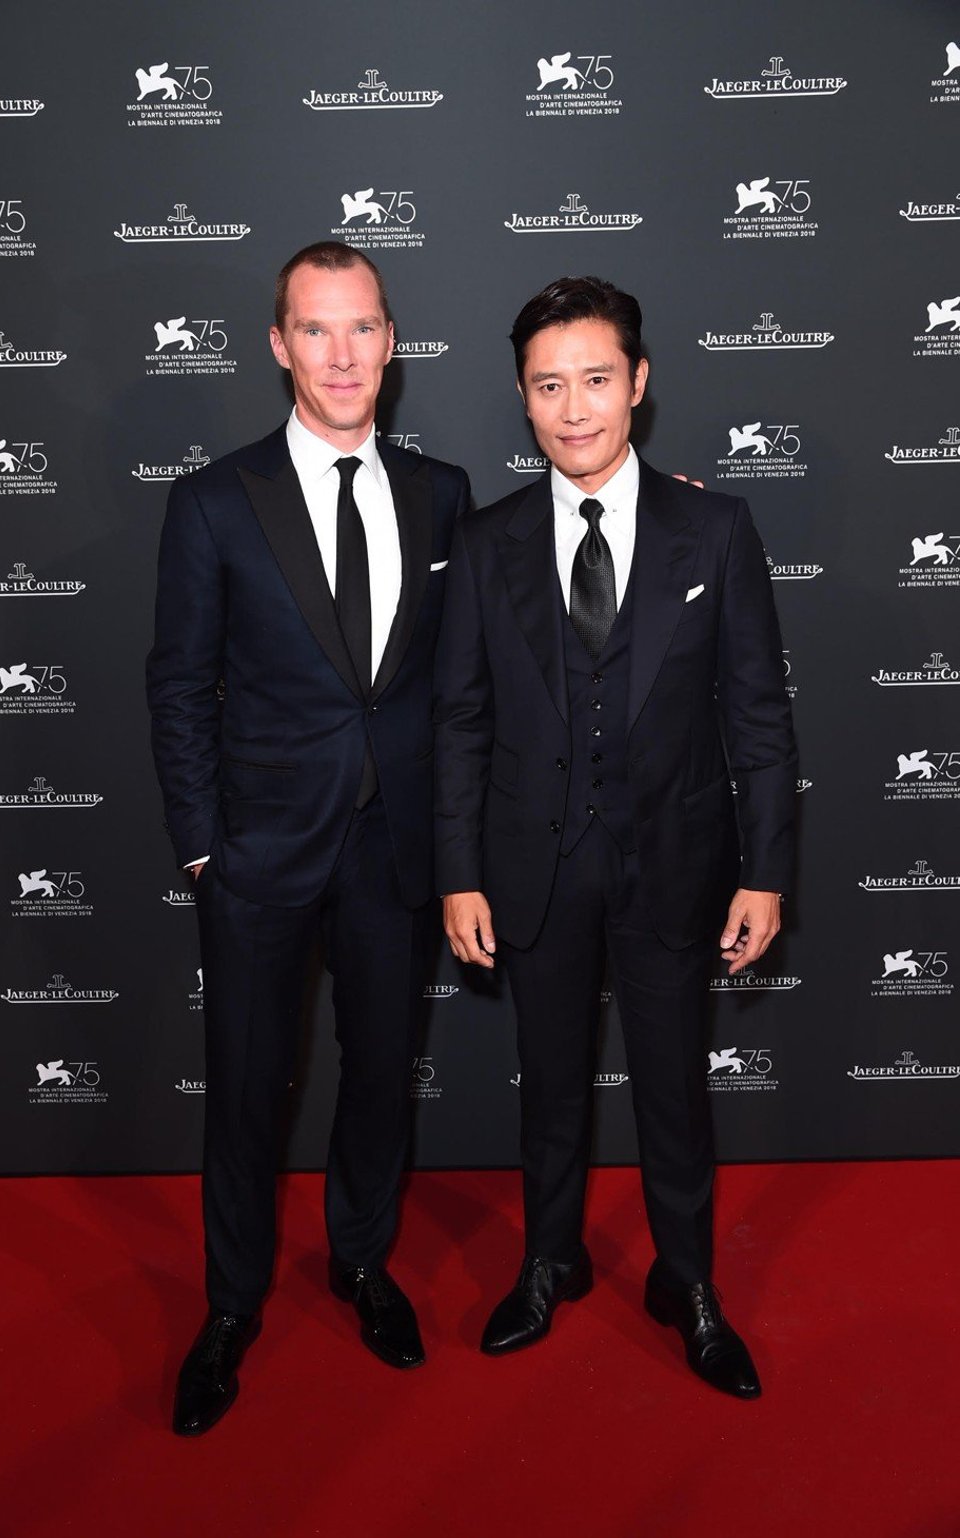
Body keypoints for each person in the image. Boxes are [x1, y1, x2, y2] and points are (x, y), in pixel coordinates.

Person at [433, 276, 797, 1398]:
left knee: (675, 1087)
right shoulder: (486, 541)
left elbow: (757, 716)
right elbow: (459, 719)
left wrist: (766, 871)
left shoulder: (717, 525)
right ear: (522, 398)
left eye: (595, 378)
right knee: (546, 1082)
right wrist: (457, 874)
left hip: (676, 864)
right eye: (549, 385)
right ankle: (548, 1258)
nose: (574, 406)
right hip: (532, 863)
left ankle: (686, 1280)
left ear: (637, 384)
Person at [147, 241, 470, 1435]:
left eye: (364, 328)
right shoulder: (214, 499)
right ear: (279, 344)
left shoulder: (443, 492)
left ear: (392, 341)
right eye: (317, 330)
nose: (343, 355)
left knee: (383, 1073)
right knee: (243, 1087)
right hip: (258, 856)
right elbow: (177, 683)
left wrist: (666, 506)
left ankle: (362, 1262)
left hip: (397, 856)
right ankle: (230, 1304)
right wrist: (200, 846)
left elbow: (477, 660)